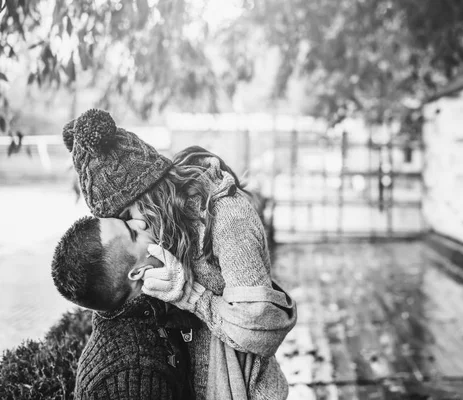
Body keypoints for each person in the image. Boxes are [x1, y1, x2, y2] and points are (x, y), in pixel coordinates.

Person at [63, 109, 296, 400]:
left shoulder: (225, 215)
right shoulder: (164, 231)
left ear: (147, 192)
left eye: (127, 215)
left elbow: (262, 327)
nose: (136, 226)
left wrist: (191, 297)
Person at [51, 216, 201, 399]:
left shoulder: (139, 312)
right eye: (133, 233)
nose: (141, 222)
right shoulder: (133, 375)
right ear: (137, 272)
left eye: (126, 219)